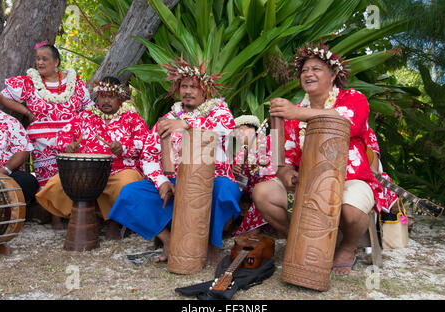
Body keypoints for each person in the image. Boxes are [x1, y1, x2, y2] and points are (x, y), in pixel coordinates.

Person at [265, 42, 385, 275]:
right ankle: (305, 240)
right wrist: (288, 174)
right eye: (305, 70)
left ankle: (347, 247)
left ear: (333, 75)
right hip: (308, 183)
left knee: (351, 210)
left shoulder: (353, 98)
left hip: (351, 178)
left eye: (316, 69)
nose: (308, 74)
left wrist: (298, 113)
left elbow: (348, 120)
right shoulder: (295, 111)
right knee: (263, 194)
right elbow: (284, 158)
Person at [108, 57, 241, 264]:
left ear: (204, 91)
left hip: (212, 180)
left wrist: (185, 123)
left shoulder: (218, 111)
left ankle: (211, 245)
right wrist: (162, 182)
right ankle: (168, 241)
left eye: (194, 87)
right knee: (130, 194)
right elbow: (149, 157)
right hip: (176, 182)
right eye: (184, 86)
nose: (188, 91)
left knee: (226, 191)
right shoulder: (167, 118)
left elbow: (225, 128)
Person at [35, 77, 149, 238]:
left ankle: (114, 222)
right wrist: (68, 145)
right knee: (57, 182)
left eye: (111, 96)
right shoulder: (85, 116)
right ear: (97, 97)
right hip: (86, 172)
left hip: (120, 170)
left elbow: (145, 143)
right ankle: (89, 216)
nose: (106, 100)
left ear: (120, 98)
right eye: (102, 96)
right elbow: (63, 135)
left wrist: (124, 148)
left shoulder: (132, 118)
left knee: (127, 183)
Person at [0, 42, 94, 190]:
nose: (40, 62)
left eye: (44, 59)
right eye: (38, 59)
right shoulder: (29, 82)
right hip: (43, 146)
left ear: (56, 62)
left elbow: (88, 107)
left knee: (76, 183)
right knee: (49, 188)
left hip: (72, 143)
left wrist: (80, 129)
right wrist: (26, 112)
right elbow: (3, 97)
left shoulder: (74, 82)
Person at [231, 115, 278, 236]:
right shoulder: (241, 154)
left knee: (266, 192)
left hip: (273, 186)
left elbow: (275, 169)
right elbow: (243, 187)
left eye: (239, 132)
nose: (238, 137)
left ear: (248, 129)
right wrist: (237, 172)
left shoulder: (270, 141)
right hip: (255, 192)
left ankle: (253, 233)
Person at [0, 109, 39, 203]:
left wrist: (4, 170)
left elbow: (23, 151)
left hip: (5, 172)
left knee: (27, 181)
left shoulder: (8, 122)